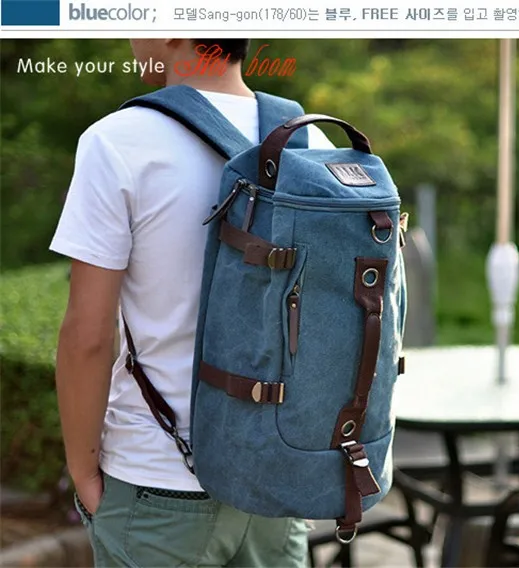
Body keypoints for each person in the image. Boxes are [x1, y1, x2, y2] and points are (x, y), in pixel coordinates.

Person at [50, 39, 334, 567]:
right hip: (277, 478)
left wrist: (83, 473)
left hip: (158, 484)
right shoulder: (310, 139)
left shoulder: (118, 141)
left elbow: (87, 336)